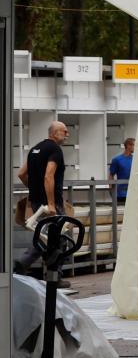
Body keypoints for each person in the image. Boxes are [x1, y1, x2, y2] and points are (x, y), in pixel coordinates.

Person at [15, 121, 71, 288]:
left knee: (44, 236)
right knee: (60, 237)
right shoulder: (55, 150)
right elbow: (49, 176)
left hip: (36, 201)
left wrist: (34, 189)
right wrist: (52, 203)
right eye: (64, 131)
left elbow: (21, 174)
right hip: (50, 203)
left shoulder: (34, 149)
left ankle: (24, 266)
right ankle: (53, 276)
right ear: (54, 133)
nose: (67, 135)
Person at [108, 137, 135, 204]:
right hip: (121, 194)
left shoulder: (135, 160)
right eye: (134, 145)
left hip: (133, 193)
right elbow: (111, 175)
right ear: (129, 145)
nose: (135, 147)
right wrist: (111, 190)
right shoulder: (117, 160)